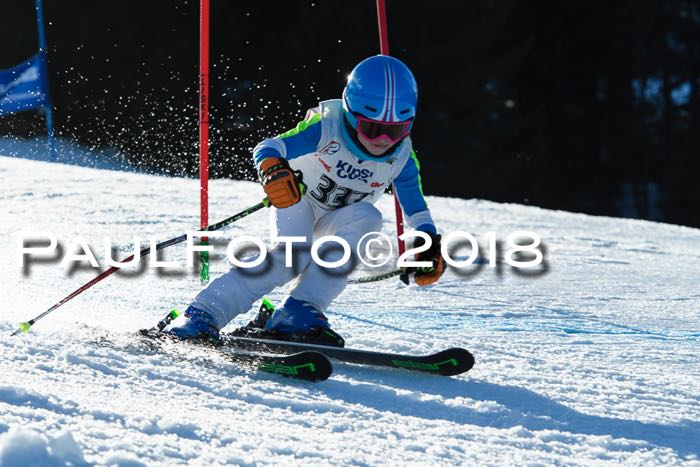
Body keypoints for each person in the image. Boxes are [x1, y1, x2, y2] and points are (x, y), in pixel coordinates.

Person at [165, 55, 445, 344]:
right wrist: (273, 170)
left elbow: (416, 210)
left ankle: (298, 311)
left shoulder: (402, 158)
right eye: (372, 128)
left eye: (396, 130)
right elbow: (269, 147)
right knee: (292, 257)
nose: (384, 140)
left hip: (338, 219)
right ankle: (202, 313)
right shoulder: (328, 127)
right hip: (298, 201)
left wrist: (427, 244)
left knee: (369, 217)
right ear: (350, 113)